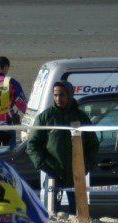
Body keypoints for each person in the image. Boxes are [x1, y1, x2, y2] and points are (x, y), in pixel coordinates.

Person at [25, 81, 99, 214]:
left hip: (76, 175)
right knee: (51, 214)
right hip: (53, 175)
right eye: (55, 95)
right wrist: (44, 165)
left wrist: (85, 167)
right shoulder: (45, 118)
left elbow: (93, 145)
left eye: (62, 95)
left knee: (79, 214)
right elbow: (32, 145)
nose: (58, 98)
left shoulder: (81, 117)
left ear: (70, 95)